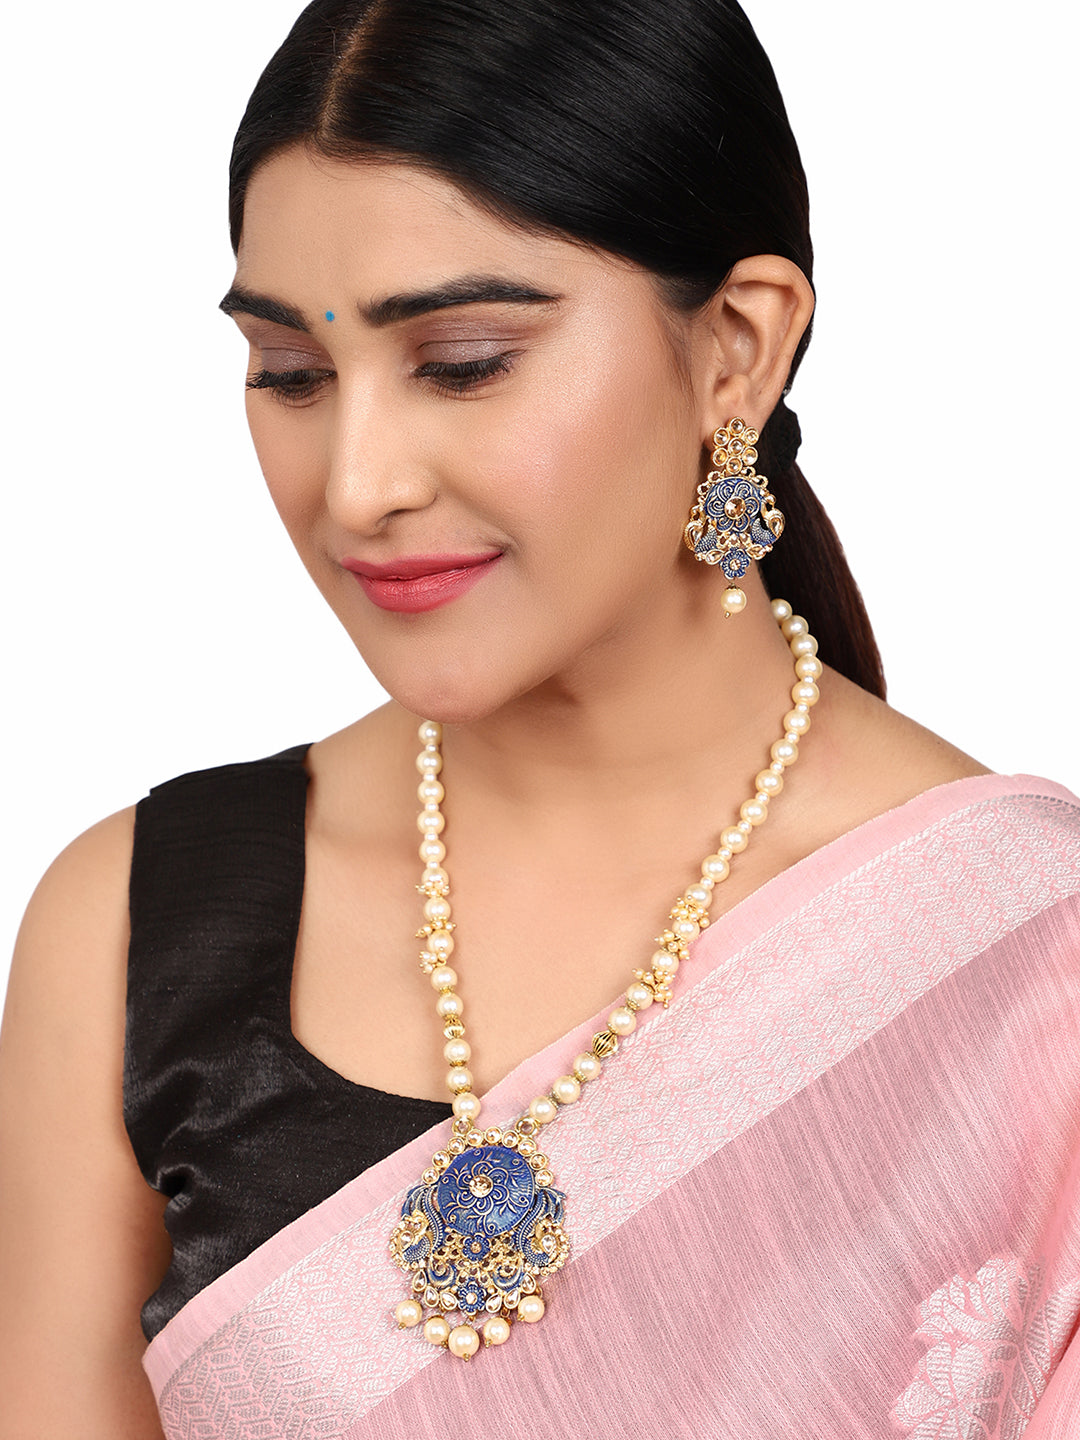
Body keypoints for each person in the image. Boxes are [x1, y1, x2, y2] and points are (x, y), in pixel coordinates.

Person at [2, 0, 1078, 1435]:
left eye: (461, 361)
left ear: (736, 349)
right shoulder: (131, 930)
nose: (357, 486)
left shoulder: (1031, 964)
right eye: (291, 375)